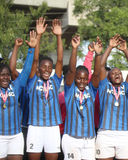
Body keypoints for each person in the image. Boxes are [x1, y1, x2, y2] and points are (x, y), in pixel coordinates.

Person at [26, 18, 64, 160]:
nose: (47, 70)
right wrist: (39, 35)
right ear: (38, 69)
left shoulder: (55, 80)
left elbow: (60, 60)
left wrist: (59, 36)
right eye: (44, 67)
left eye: (50, 67)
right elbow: (35, 61)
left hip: (53, 127)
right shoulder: (33, 81)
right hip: (35, 127)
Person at [95, 35, 128, 160]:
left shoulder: (127, 87)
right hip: (105, 133)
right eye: (113, 73)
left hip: (124, 134)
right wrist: (110, 47)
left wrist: (125, 50)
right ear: (109, 77)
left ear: (122, 77)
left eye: (119, 73)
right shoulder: (103, 86)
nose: (117, 74)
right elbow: (101, 67)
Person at [62, 35, 102, 160]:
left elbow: (96, 74)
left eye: (85, 79)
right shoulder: (69, 90)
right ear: (74, 79)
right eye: (79, 78)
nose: (82, 81)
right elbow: (71, 71)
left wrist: (98, 54)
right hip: (71, 139)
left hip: (89, 140)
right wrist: (74, 49)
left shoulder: (91, 89)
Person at [0, 31, 37, 160]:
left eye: (7, 75)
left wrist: (31, 49)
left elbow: (26, 70)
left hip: (16, 136)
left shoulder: (15, 86)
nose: (5, 77)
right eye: (2, 75)